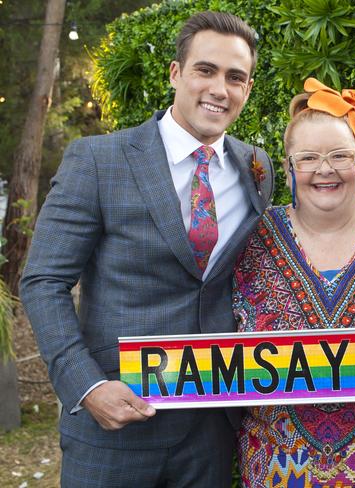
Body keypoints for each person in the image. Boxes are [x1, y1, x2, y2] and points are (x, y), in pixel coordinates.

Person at [20, 11, 274, 488]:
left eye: (235, 77)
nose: (220, 88)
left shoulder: (256, 167)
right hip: (114, 425)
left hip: (211, 430)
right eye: (206, 70)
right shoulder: (98, 159)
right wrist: (87, 386)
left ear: (248, 89)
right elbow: (43, 281)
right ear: (176, 73)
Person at [232, 77, 355, 487]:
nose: (325, 170)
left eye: (340, 155)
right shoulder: (249, 239)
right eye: (307, 158)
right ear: (288, 167)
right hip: (277, 470)